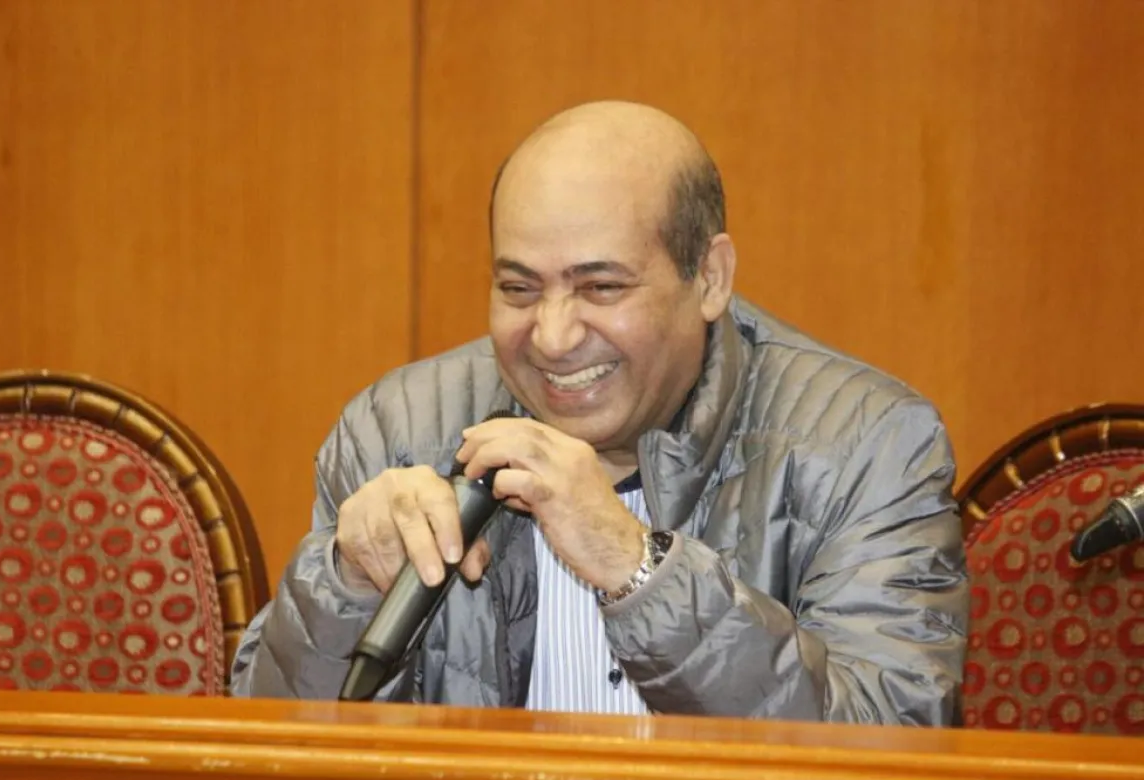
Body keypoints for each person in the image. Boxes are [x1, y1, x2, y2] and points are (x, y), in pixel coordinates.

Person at [230, 100, 969, 724]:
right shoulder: (397, 429)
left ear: (709, 278)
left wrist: (635, 566)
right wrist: (346, 586)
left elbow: (889, 741)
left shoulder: (867, 443)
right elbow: (266, 745)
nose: (552, 337)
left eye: (602, 288)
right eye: (519, 289)